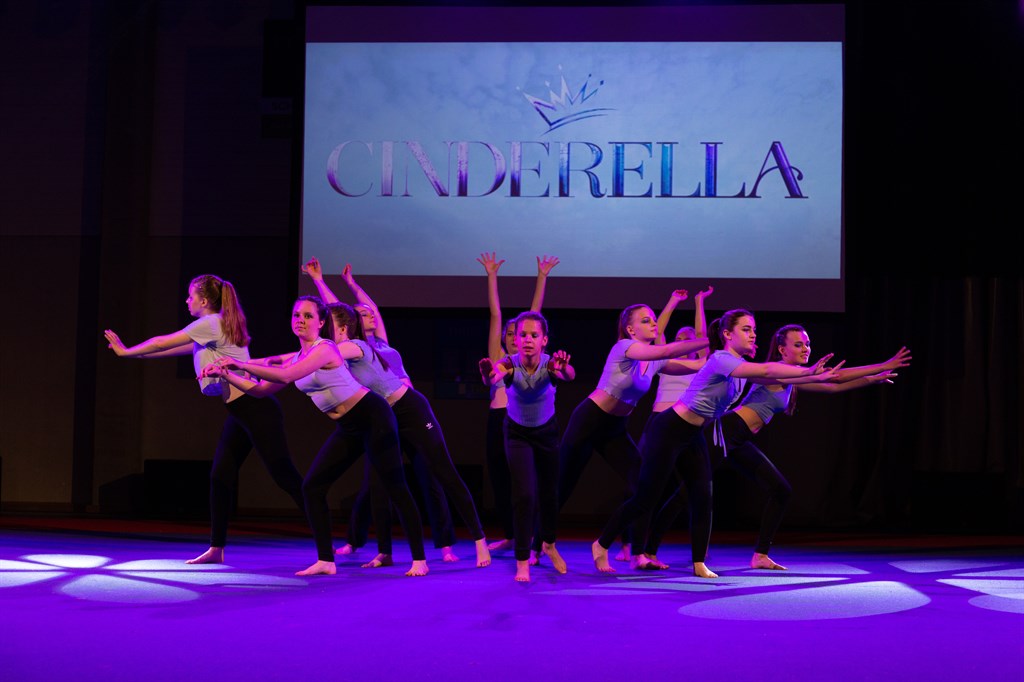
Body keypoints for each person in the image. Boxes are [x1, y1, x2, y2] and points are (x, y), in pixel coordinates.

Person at [591, 308, 841, 579]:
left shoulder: (741, 368)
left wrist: (814, 375)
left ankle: (699, 563)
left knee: (702, 496)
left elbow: (776, 375)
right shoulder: (721, 359)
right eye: (746, 329)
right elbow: (768, 368)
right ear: (727, 335)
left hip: (695, 433)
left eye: (754, 330)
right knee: (646, 496)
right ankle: (601, 544)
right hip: (670, 428)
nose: (753, 334)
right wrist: (810, 372)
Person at [640, 326, 911, 571]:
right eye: (798, 345)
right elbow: (835, 378)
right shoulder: (778, 372)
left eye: (807, 344)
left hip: (739, 439)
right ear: (782, 350)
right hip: (724, 432)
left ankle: (760, 555)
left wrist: (871, 379)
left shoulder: (793, 378)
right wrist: (883, 365)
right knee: (685, 494)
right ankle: (648, 550)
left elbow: (831, 386)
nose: (805, 349)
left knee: (780, 490)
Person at [203, 295, 428, 576]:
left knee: (395, 485)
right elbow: (260, 390)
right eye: (297, 315)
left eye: (308, 316)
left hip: (373, 416)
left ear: (321, 323)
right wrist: (226, 375)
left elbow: (285, 376)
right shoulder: (299, 357)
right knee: (312, 487)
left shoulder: (326, 349)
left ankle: (420, 560)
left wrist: (240, 365)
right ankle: (326, 561)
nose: (301, 320)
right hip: (348, 426)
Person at [103, 274, 305, 565]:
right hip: (240, 411)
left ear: (205, 301)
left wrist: (126, 351)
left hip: (256, 408)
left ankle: (329, 542)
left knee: (284, 476)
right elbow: (167, 349)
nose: (187, 301)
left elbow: (161, 342)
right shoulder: (211, 330)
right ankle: (216, 549)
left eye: (191, 296)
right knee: (220, 476)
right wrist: (131, 354)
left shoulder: (210, 323)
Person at [303, 259, 491, 569]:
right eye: (362, 313)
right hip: (381, 419)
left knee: (442, 472)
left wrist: (349, 285)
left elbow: (348, 314)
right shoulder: (342, 348)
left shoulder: (370, 345)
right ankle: (385, 552)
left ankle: (479, 539)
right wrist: (319, 280)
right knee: (379, 484)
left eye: (369, 314)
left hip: (410, 410)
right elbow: (336, 313)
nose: (369, 315)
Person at [555, 301, 711, 564]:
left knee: (643, 484)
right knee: (563, 483)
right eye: (646, 320)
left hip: (614, 428)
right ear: (630, 329)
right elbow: (668, 348)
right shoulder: (624, 347)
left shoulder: (655, 362)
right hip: (590, 420)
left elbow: (696, 365)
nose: (653, 324)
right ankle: (537, 544)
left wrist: (722, 354)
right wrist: (709, 339)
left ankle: (633, 551)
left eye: (654, 320)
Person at [614, 285, 714, 563]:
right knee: (642, 484)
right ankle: (630, 546)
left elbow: (702, 337)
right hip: (659, 422)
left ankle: (664, 548)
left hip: (686, 428)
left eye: (687, 340)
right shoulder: (663, 360)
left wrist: (699, 303)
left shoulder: (699, 367)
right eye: (679, 338)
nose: (683, 342)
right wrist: (672, 302)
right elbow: (658, 332)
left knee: (689, 489)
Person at [480, 311, 575, 582]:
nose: (527, 339)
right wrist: (487, 375)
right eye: (522, 335)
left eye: (534, 335)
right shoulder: (509, 364)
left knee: (549, 493)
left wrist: (563, 368)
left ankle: (549, 544)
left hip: (546, 432)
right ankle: (522, 560)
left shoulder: (550, 363)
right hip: (517, 433)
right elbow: (494, 377)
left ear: (544, 340)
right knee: (524, 495)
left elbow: (569, 375)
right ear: (516, 340)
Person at [477, 252, 559, 555]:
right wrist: (491, 276)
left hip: (526, 421)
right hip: (498, 420)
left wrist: (542, 277)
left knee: (529, 484)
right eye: (511, 334)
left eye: (521, 333)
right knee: (501, 479)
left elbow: (534, 312)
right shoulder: (499, 357)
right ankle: (512, 535)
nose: (516, 338)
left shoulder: (531, 355)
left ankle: (534, 539)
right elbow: (495, 314)